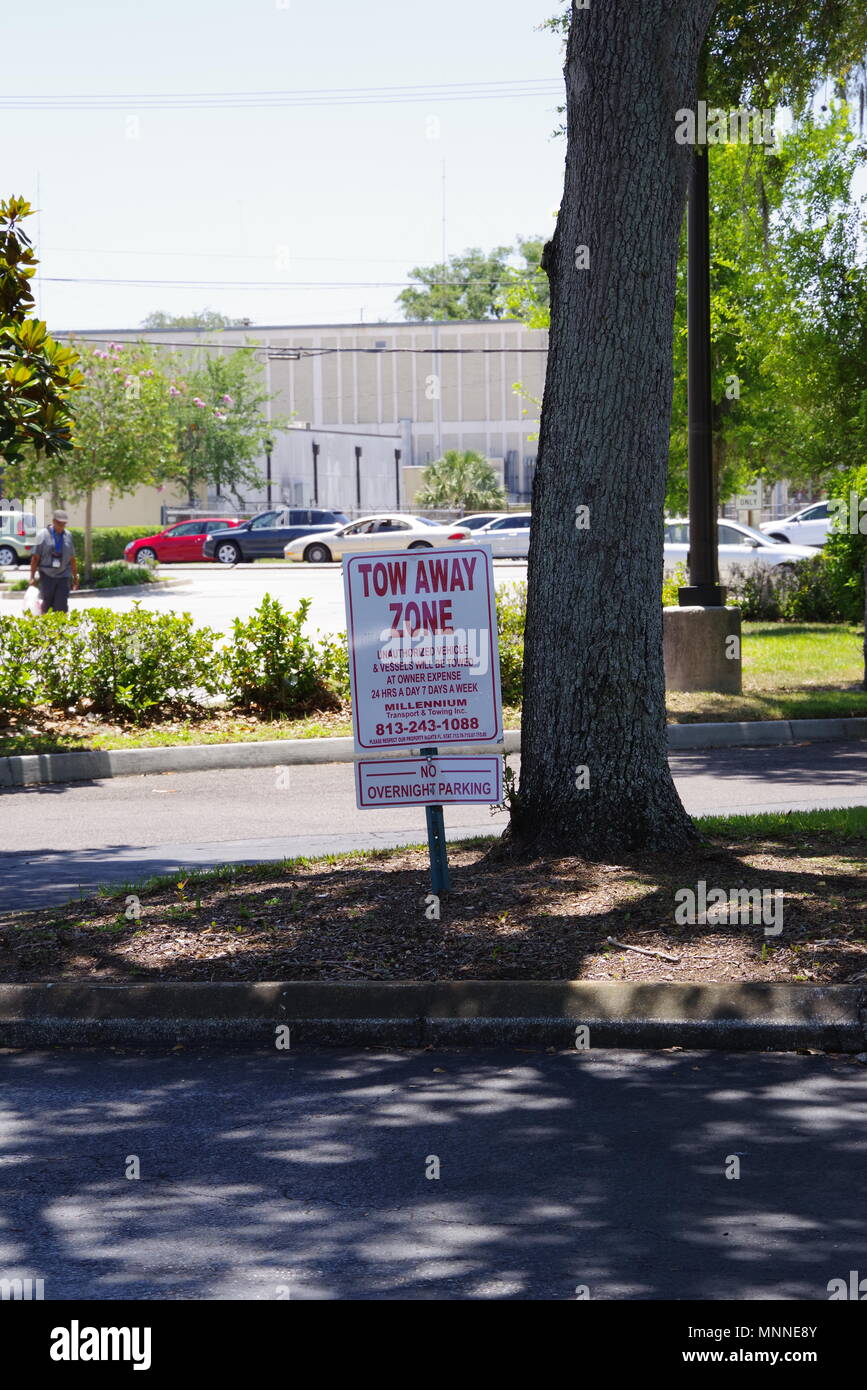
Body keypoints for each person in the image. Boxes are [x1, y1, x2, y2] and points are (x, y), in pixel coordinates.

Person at [29, 510, 79, 613]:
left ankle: (60, 628)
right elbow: (35, 558)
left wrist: (75, 577)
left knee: (61, 606)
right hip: (47, 575)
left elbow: (72, 558)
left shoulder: (68, 536)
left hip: (63, 575)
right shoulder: (42, 535)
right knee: (47, 604)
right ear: (53, 521)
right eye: (59, 523)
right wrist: (32, 577)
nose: (62, 526)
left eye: (64, 524)